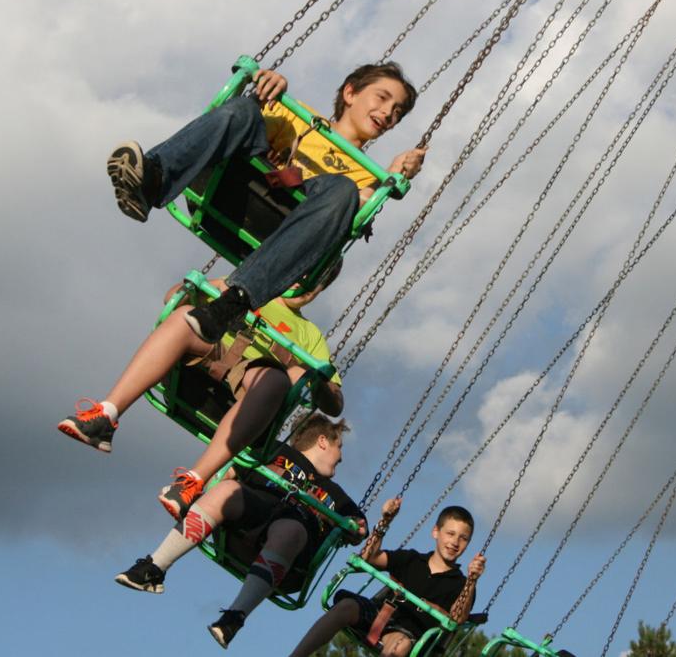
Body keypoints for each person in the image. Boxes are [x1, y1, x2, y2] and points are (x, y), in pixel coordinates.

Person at [105, 62, 425, 344]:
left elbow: (358, 210)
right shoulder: (295, 115)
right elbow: (241, 127)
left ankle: (232, 304)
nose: (388, 113)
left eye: (397, 112)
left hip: (280, 236)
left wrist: (391, 178)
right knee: (243, 110)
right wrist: (267, 87)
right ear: (351, 93)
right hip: (232, 197)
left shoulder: (365, 176)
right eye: (382, 98)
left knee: (341, 189)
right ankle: (151, 183)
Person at [57, 267, 344, 519]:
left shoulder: (311, 336)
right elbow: (172, 297)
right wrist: (208, 286)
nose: (303, 283)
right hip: (206, 358)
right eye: (301, 272)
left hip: (251, 385)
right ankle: (106, 415)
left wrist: (317, 382)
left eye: (314, 281)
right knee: (184, 315)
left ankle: (193, 481)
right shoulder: (253, 284)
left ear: (320, 289)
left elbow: (335, 402)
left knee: (280, 380)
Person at [114, 414, 367, 650]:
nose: (341, 457)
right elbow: (232, 469)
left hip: (291, 549)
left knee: (289, 530)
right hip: (249, 519)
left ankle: (234, 617)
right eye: (339, 447)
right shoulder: (277, 451)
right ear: (323, 441)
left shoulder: (335, 494)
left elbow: (359, 527)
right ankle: (154, 567)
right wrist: (208, 488)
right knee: (225, 490)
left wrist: (356, 527)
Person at [287, 500, 486, 657]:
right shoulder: (412, 559)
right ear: (436, 532)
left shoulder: (461, 583)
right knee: (346, 606)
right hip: (380, 615)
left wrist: (472, 580)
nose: (455, 542)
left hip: (412, 636)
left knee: (399, 646)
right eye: (450, 534)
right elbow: (369, 557)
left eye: (463, 538)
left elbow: (457, 618)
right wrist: (384, 522)